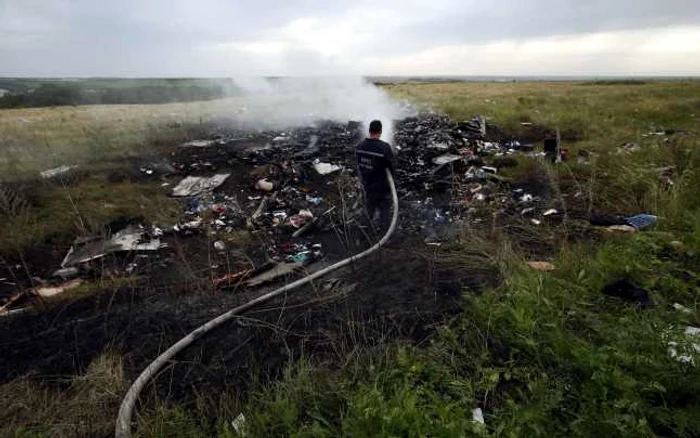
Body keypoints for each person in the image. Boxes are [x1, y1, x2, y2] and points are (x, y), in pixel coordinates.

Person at [355, 120, 396, 232]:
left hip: (368, 185)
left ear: (369, 130)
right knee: (385, 211)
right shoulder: (384, 147)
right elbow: (391, 167)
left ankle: (362, 234)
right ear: (381, 131)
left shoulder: (359, 147)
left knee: (369, 209)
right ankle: (385, 234)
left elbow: (359, 165)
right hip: (381, 187)